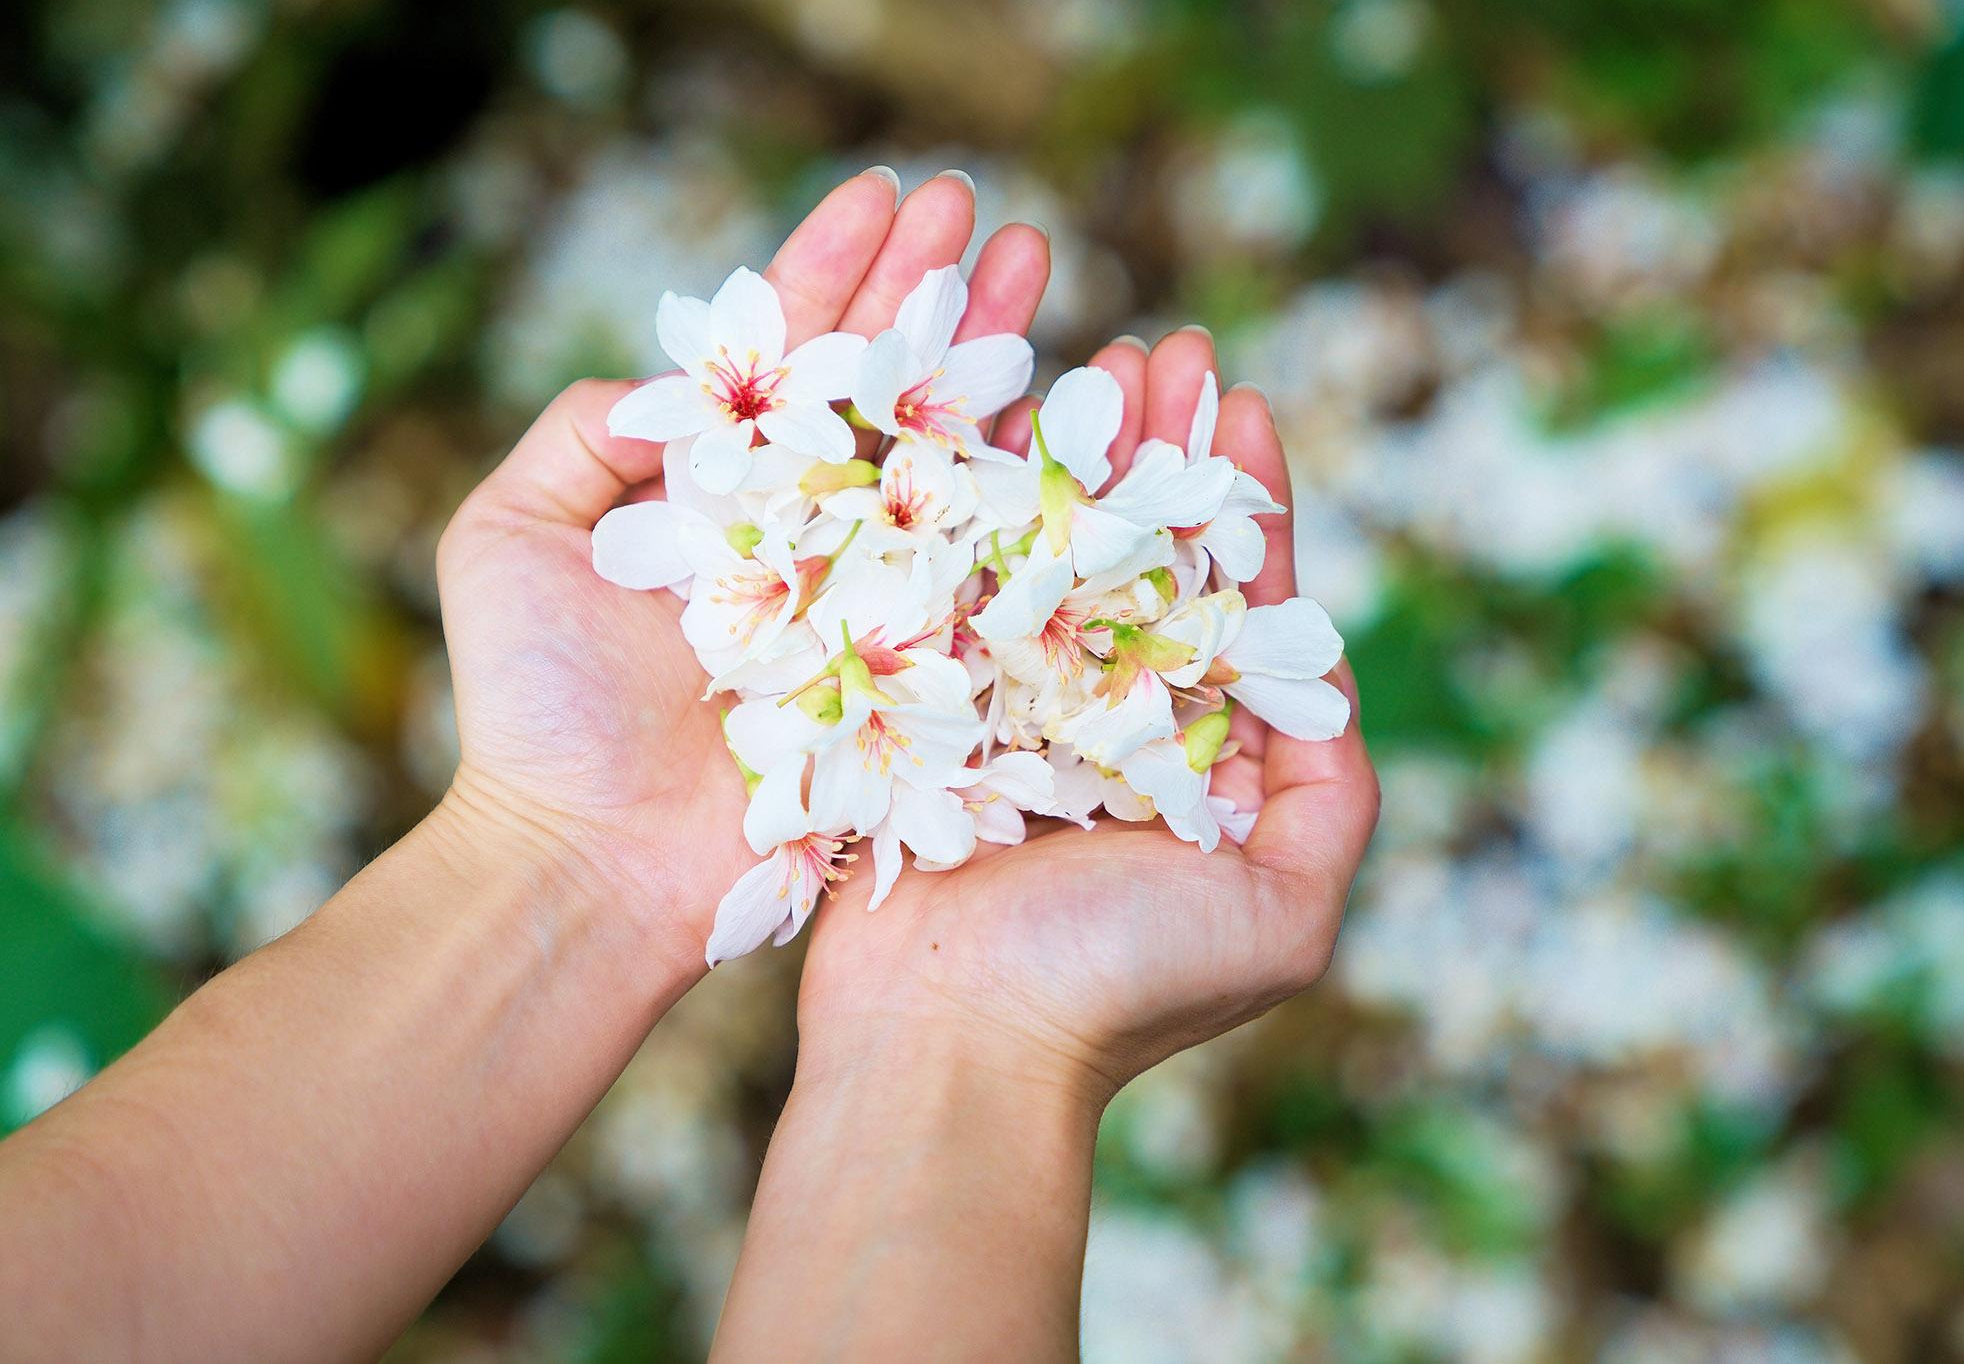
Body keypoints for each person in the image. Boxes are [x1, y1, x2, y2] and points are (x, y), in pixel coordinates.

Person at [0, 169, 1378, 1363]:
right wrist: (979, 1039)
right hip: (849, 645)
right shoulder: (816, 597)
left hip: (909, 664)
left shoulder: (937, 577)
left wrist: (561, 851)